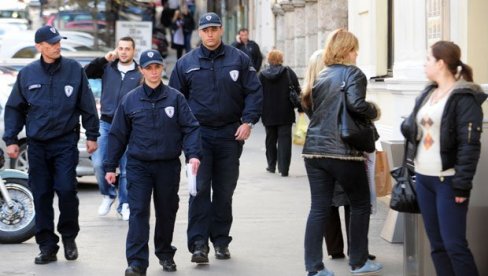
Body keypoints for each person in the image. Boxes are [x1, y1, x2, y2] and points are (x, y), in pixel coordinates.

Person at [169, 12, 262, 264]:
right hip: (198, 137)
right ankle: (199, 245)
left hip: (230, 135)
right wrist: (182, 134)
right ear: (199, 33)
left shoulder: (239, 59)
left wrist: (247, 120)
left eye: (214, 29)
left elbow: (254, 91)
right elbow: (175, 100)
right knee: (198, 190)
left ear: (221, 30)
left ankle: (220, 241)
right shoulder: (185, 63)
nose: (210, 34)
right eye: (205, 30)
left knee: (224, 191)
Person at [2, 25, 99, 264]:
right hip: (37, 145)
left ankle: (68, 237)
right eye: (52, 43)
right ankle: (47, 245)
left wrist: (92, 136)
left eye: (58, 42)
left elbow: (87, 104)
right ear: (39, 47)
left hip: (65, 142)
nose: (57, 46)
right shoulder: (28, 74)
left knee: (67, 190)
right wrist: (12, 140)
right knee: (41, 194)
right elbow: (15, 108)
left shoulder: (74, 70)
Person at [104, 49, 202, 275]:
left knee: (167, 211)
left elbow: (190, 128)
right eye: (149, 67)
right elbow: (118, 134)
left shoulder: (176, 98)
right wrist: (111, 166)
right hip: (139, 166)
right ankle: (137, 262)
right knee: (138, 212)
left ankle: (165, 253)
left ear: (162, 68)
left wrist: (193, 154)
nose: (154, 71)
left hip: (168, 165)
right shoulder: (130, 100)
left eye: (157, 67)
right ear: (142, 70)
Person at [301, 28, 383, 276]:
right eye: (354, 48)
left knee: (318, 208)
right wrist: (374, 110)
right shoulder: (353, 73)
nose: (357, 53)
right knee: (359, 204)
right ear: (346, 51)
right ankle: (358, 262)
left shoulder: (322, 75)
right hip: (342, 151)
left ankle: (314, 267)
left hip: (313, 151)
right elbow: (356, 105)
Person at [401, 40, 484, 276]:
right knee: (436, 246)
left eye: (428, 59)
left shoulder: (464, 96)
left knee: (454, 245)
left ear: (441, 62)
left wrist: (462, 186)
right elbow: (415, 129)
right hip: (424, 178)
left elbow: (469, 145)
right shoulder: (429, 93)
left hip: (447, 180)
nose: (424, 64)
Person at [85, 37, 142, 221]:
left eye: (127, 49)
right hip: (106, 123)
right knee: (99, 162)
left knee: (126, 169)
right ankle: (108, 194)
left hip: (129, 126)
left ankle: (124, 203)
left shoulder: (140, 72)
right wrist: (104, 59)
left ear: (134, 51)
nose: (124, 52)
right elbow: (86, 72)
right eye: (121, 48)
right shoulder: (107, 67)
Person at [258, 49, 301, 177]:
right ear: (281, 59)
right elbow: (297, 90)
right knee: (285, 141)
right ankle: (284, 169)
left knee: (270, 139)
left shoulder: (262, 75)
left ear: (269, 60)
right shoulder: (288, 72)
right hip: (285, 112)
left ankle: (271, 166)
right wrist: (300, 108)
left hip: (268, 112)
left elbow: (257, 93)